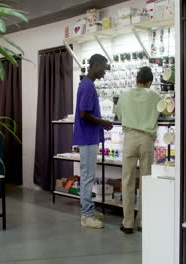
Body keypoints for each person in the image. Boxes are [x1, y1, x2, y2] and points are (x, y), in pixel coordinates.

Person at [116, 66, 161, 234]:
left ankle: (127, 223)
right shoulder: (155, 96)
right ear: (150, 82)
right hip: (147, 139)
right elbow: (160, 114)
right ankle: (143, 221)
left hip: (129, 138)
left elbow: (119, 116)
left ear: (137, 80)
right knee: (146, 181)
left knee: (127, 181)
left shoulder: (125, 95)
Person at [73, 54, 113, 229]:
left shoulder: (86, 84)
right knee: (88, 177)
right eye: (103, 67)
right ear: (95, 65)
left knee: (88, 175)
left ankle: (88, 210)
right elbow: (84, 114)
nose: (105, 71)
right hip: (88, 138)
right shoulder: (88, 86)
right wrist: (102, 122)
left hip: (89, 137)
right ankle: (87, 215)